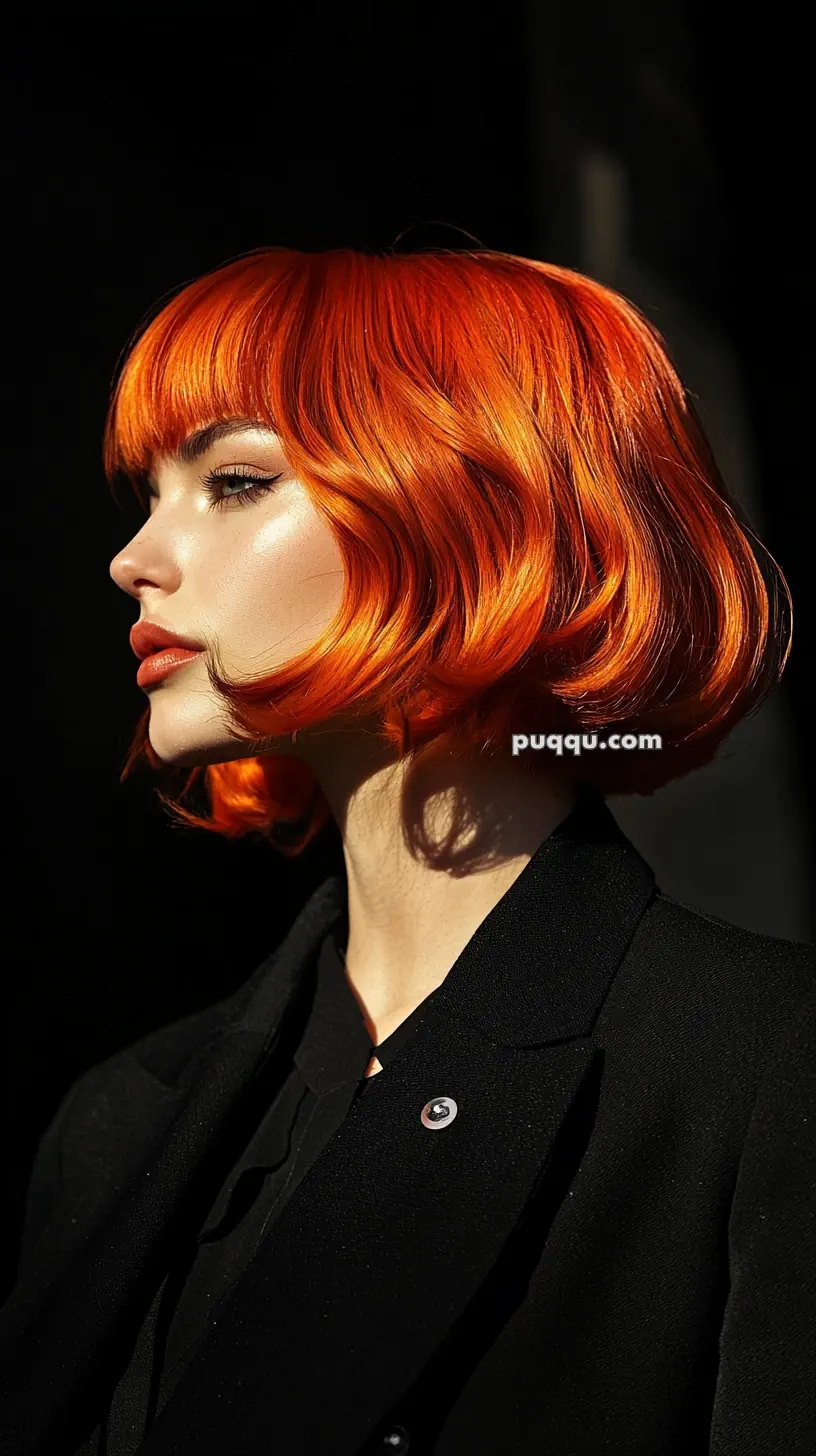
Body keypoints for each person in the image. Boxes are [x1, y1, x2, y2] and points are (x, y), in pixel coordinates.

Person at [1, 242, 813, 1456]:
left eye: (231, 480)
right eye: (150, 495)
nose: (135, 559)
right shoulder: (122, 1126)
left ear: (473, 506)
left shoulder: (757, 1069)